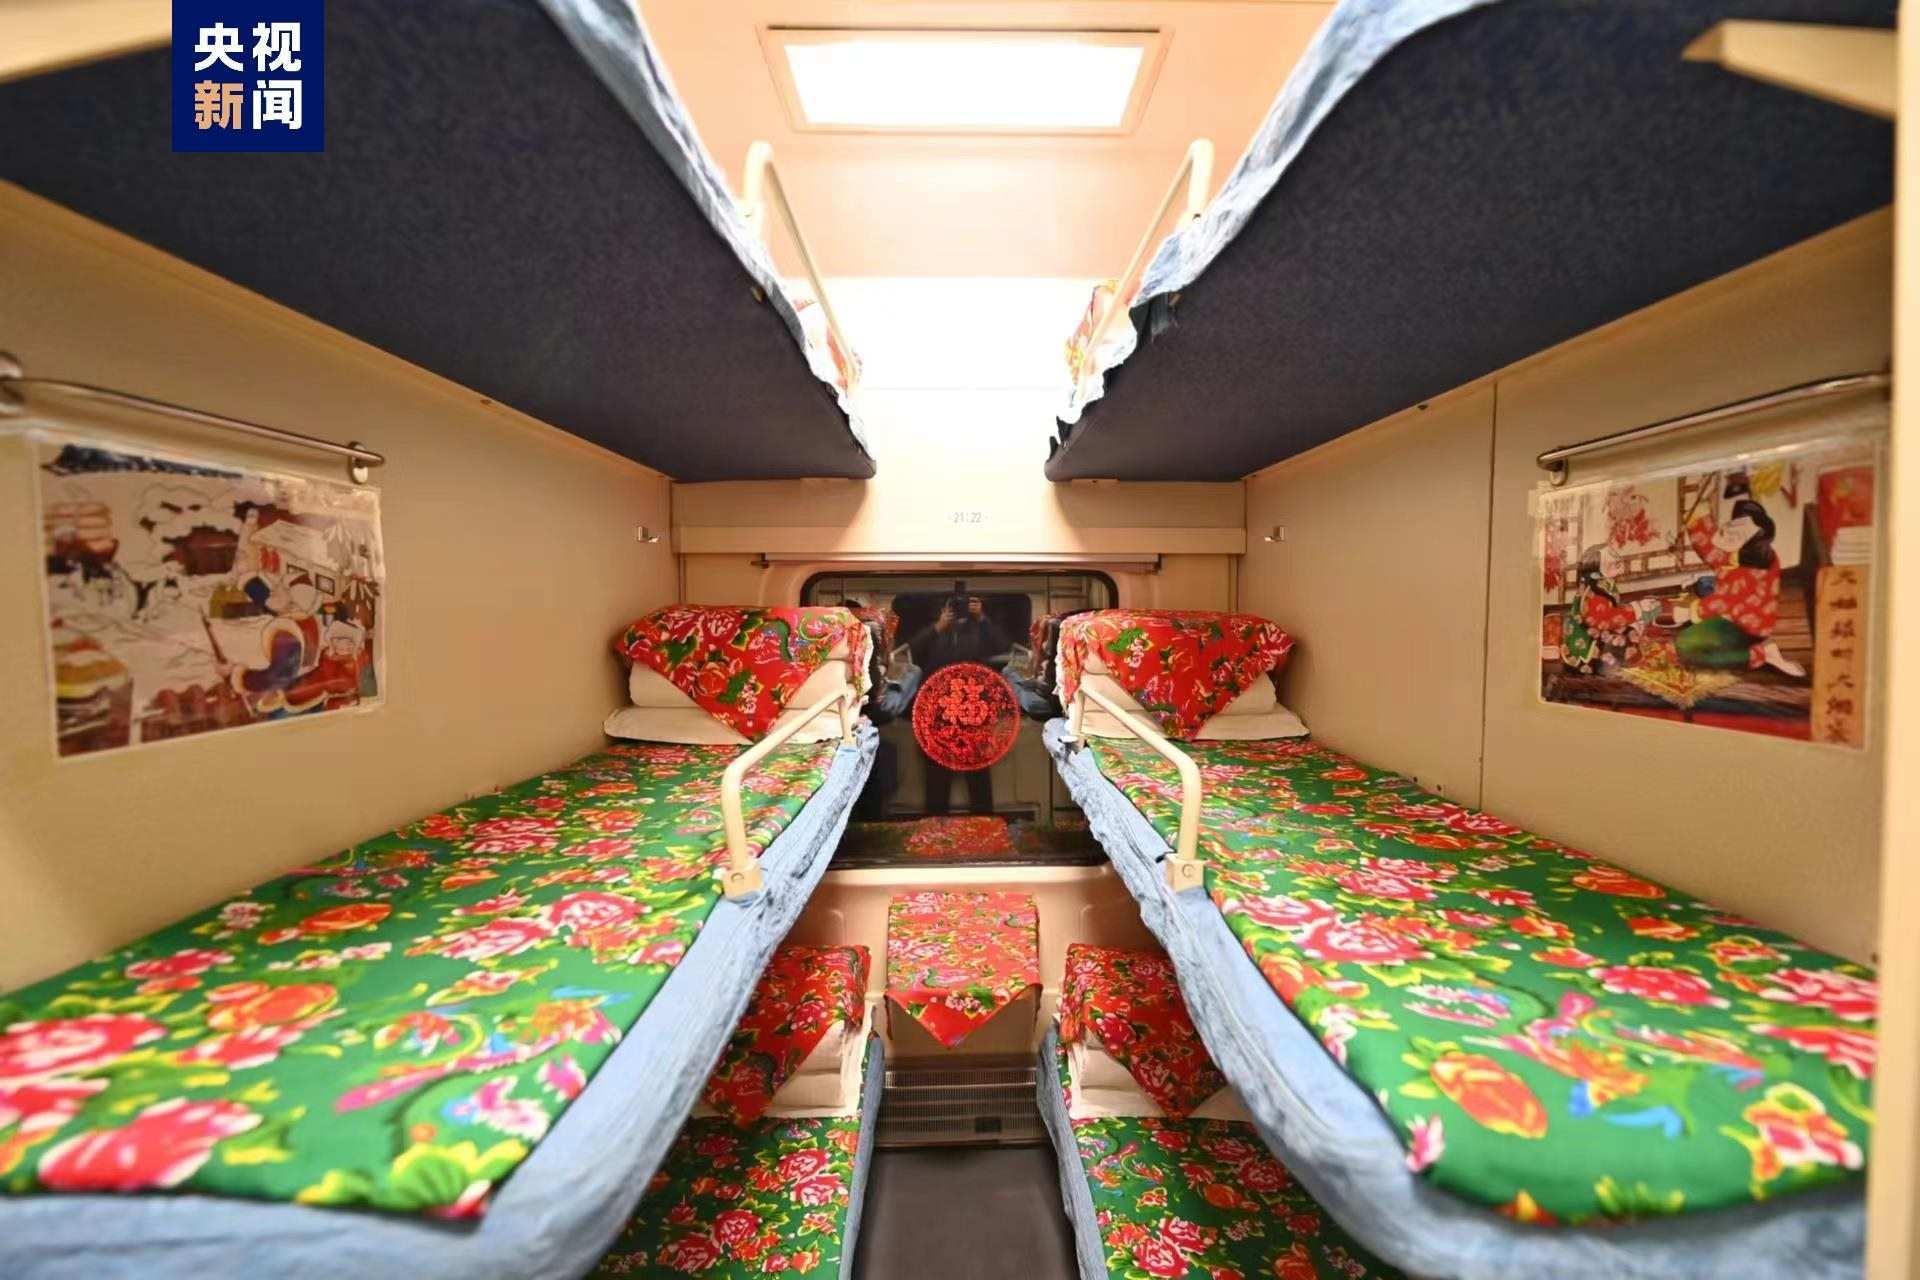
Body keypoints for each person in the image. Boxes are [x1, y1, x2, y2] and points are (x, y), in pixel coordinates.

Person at [1676, 492, 1804, 677]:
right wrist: (1699, 516)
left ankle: (1760, 654)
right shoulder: (1742, 551)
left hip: (1749, 626)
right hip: (1736, 616)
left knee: (1687, 648)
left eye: (1737, 533)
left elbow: (1725, 600)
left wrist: (1690, 611)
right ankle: (1757, 647)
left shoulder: (1756, 564)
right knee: (1688, 637)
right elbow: (1710, 549)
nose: (1730, 536)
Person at [908, 594, 1009, 815]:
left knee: (978, 773)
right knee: (937, 775)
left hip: (973, 710)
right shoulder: (936, 631)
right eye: (954, 606)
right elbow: (912, 651)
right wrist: (938, 627)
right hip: (938, 712)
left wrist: (982, 619)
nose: (959, 610)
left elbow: (1003, 646)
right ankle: (935, 823)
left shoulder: (979, 630)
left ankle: (983, 822)